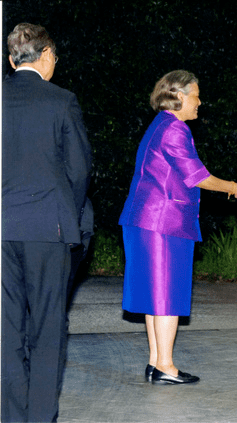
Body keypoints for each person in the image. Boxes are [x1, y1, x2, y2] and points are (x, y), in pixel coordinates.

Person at [118, 70, 237, 385]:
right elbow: (197, 176)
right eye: (195, 94)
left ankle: (156, 362)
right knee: (167, 294)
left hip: (143, 220)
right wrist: (235, 187)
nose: (199, 101)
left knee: (155, 295)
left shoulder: (160, 126)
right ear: (178, 96)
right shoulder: (175, 129)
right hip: (164, 222)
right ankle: (166, 366)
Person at [2, 23, 92, 422]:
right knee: (47, 328)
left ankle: (12, 416)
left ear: (10, 60)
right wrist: (68, 218)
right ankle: (41, 418)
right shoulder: (61, 100)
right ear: (45, 56)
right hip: (47, 229)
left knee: (5, 330)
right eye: (54, 56)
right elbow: (79, 168)